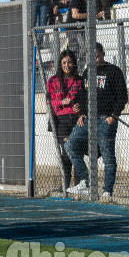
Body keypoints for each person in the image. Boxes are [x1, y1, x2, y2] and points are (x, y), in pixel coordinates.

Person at [65, 43, 128, 197]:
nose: (95, 60)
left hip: (106, 119)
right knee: (70, 145)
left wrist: (114, 115)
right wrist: (80, 112)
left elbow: (122, 96)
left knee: (108, 155)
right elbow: (83, 94)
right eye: (92, 57)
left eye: (97, 56)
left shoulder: (114, 71)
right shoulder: (87, 72)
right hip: (89, 120)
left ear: (103, 54)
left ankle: (107, 191)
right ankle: (85, 182)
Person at [46, 50, 83, 191]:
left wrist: (79, 106)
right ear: (60, 65)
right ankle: (65, 185)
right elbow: (50, 103)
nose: (67, 65)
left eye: (69, 62)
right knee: (67, 150)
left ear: (73, 63)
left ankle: (79, 185)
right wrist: (62, 102)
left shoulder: (79, 80)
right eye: (64, 63)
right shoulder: (53, 81)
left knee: (77, 151)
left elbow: (84, 100)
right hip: (62, 120)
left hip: (76, 119)